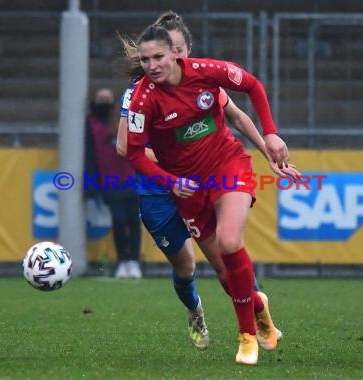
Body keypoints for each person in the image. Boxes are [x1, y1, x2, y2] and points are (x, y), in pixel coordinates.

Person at [125, 18, 299, 364]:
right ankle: (254, 305)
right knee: (208, 267)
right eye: (146, 60)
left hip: (225, 167)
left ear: (179, 53)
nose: (153, 65)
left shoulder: (205, 74)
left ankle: (247, 336)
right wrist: (170, 180)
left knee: (230, 241)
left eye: (161, 56)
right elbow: (128, 151)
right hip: (179, 187)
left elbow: (249, 90)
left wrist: (270, 137)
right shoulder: (140, 98)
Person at [85, 88, 142, 279]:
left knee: (134, 221)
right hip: (110, 181)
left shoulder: (124, 119)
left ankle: (134, 261)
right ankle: (123, 260)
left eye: (108, 99)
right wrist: (92, 184)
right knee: (118, 220)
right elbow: (91, 153)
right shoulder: (91, 123)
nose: (104, 102)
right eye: (101, 98)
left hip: (131, 178)